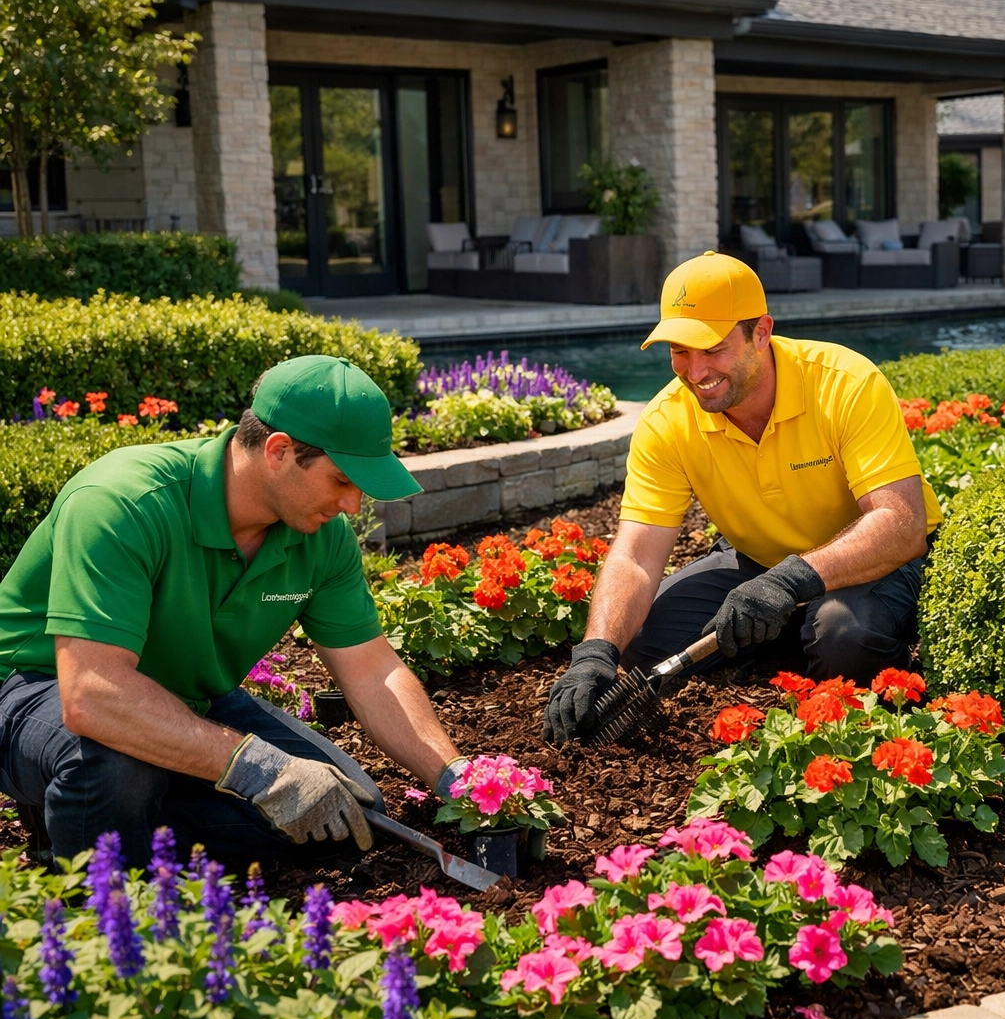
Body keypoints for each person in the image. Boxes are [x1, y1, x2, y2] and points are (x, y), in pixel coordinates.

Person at [0, 355, 473, 868]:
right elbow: (92, 696)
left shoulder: (321, 537)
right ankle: (87, 877)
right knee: (117, 762)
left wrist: (457, 779)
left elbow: (372, 671)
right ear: (279, 451)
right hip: (31, 690)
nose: (353, 505)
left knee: (345, 813)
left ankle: (106, 819)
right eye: (341, 480)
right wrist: (258, 769)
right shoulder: (124, 503)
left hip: (181, 698)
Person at [543, 252, 943, 743]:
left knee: (843, 637)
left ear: (761, 332)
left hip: (878, 561)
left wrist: (790, 582)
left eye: (712, 348)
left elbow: (900, 523)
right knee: (640, 640)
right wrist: (595, 652)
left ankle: (824, 637)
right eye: (680, 351)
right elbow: (636, 555)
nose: (695, 370)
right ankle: (795, 632)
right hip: (761, 565)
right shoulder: (667, 420)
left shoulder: (845, 382)